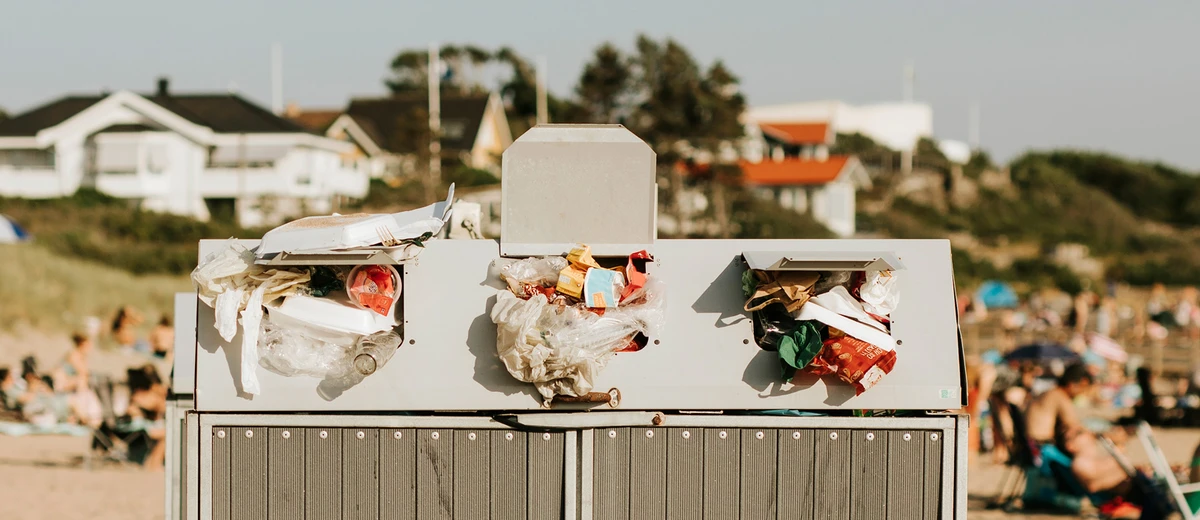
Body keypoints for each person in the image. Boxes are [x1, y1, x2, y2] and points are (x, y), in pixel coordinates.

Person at [1025, 363, 1130, 493]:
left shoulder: (1048, 393)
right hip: (1043, 450)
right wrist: (1106, 435)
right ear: (1075, 384)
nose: (1082, 393)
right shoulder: (1059, 396)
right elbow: (1076, 427)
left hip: (1032, 447)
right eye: (1083, 388)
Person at [126, 364, 167, 470]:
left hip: (145, 425)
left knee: (167, 432)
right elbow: (159, 407)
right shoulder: (141, 396)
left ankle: (154, 462)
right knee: (167, 434)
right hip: (140, 427)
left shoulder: (141, 394)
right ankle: (155, 463)